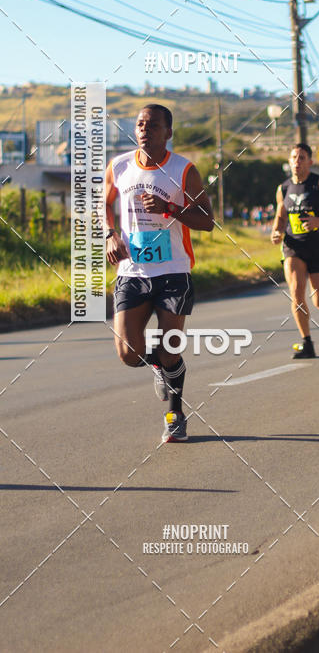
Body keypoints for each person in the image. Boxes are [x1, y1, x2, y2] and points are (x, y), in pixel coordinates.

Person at [105, 104, 214, 442]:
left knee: (171, 347)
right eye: (140, 124)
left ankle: (175, 414)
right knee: (127, 353)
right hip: (132, 271)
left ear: (168, 132)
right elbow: (105, 204)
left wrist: (170, 208)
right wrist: (110, 234)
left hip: (172, 272)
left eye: (153, 125)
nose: (144, 130)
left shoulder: (184, 170)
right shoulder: (119, 166)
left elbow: (207, 221)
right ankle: (158, 366)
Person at [271, 143, 319, 359]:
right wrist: (276, 232)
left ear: (310, 162)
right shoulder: (283, 188)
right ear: (289, 161)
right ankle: (307, 342)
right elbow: (280, 215)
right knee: (296, 292)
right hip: (293, 246)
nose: (297, 161)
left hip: (318, 246)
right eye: (294, 157)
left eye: (302, 157)